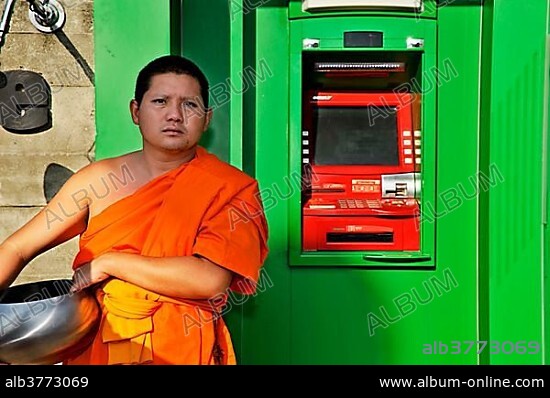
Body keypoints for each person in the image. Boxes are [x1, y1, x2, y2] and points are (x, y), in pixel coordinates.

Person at [0, 55, 269, 365]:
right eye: (160, 101)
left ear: (206, 119)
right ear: (135, 112)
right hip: (99, 343)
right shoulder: (97, 181)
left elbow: (210, 279)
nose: (175, 115)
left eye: (190, 105)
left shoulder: (231, 187)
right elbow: (18, 248)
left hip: (181, 345)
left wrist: (111, 263)